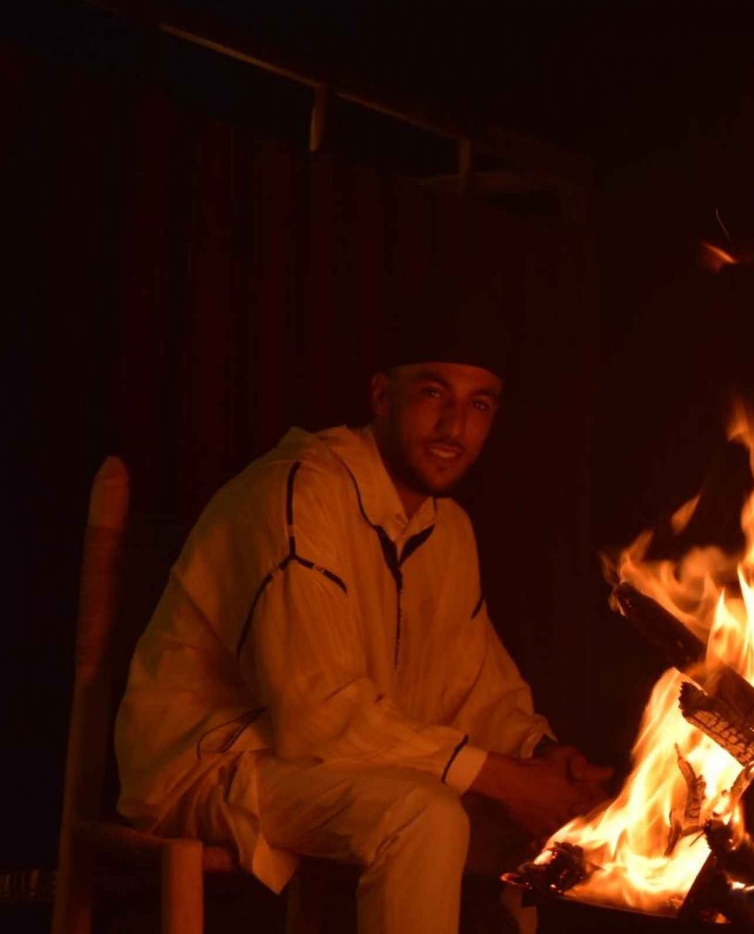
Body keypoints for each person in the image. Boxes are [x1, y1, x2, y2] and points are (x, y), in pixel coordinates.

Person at [114, 323, 611, 934]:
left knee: (542, 829)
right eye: (434, 394)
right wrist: (509, 780)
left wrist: (540, 761)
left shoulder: (447, 529)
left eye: (478, 405)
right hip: (212, 763)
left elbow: (479, 691)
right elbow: (316, 711)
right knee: (421, 816)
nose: (456, 428)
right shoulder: (297, 490)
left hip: (332, 764)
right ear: (382, 397)